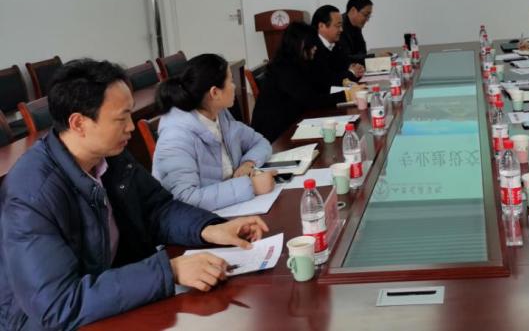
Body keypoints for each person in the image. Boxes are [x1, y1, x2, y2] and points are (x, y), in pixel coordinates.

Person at [0, 59, 269, 330]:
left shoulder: (110, 155)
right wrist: (170, 271)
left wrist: (209, 229)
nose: (131, 126)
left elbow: (157, 209)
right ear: (79, 123)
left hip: (111, 299)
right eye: (121, 118)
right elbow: (58, 304)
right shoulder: (31, 194)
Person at [153, 54, 275, 212]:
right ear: (215, 93)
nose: (234, 86)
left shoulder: (219, 114)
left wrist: (248, 162)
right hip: (201, 219)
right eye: (230, 81)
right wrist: (251, 186)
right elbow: (184, 198)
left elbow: (260, 142)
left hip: (231, 206)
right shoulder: (175, 136)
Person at [252, 22, 366, 143]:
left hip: (293, 122)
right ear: (300, 44)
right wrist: (346, 95)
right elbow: (311, 100)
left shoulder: (298, 63)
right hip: (276, 135)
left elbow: (319, 85)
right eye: (312, 44)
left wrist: (345, 84)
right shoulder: (284, 69)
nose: (315, 47)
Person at [311, 4, 365, 86]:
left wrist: (355, 68)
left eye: (341, 26)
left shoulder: (337, 45)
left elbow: (344, 67)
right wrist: (351, 72)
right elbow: (327, 80)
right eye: (338, 26)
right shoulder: (311, 49)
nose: (341, 29)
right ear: (321, 26)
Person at [339, 0, 374, 64]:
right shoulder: (340, 27)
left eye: (369, 16)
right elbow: (346, 58)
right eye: (365, 15)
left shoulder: (356, 25)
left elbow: (362, 51)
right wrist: (374, 57)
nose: (367, 19)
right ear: (353, 10)